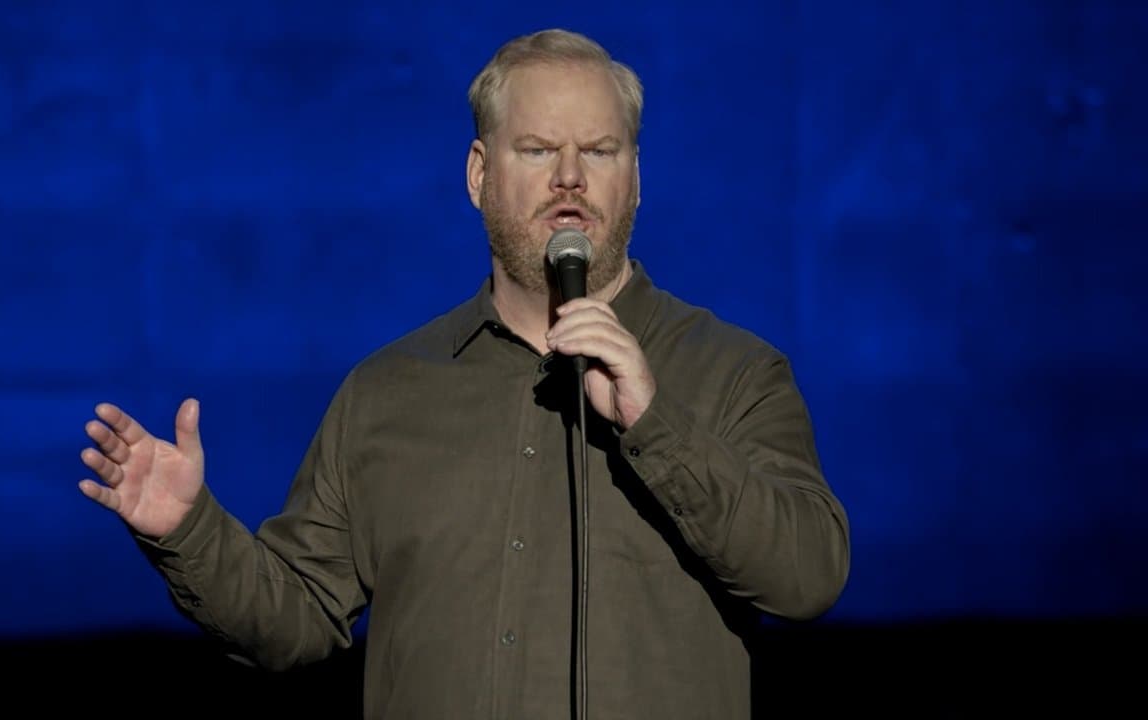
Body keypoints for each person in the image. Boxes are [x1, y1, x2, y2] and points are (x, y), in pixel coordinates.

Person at [78, 27, 849, 719]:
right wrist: (190, 532)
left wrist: (656, 425)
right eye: (538, 150)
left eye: (600, 151)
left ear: (636, 177)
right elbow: (297, 621)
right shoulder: (387, 392)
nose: (570, 177)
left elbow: (809, 578)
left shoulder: (734, 371)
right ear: (479, 174)